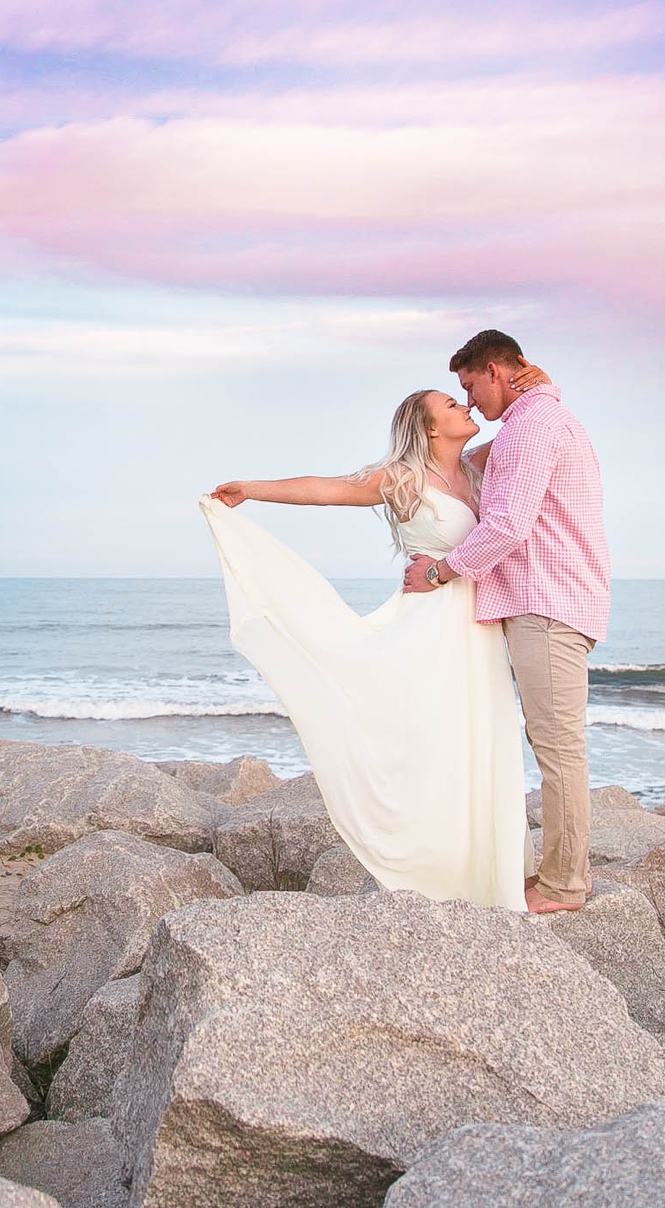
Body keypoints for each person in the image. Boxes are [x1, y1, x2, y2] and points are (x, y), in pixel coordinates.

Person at [202, 357, 551, 910]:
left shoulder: (482, 464)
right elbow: (326, 489)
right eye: (451, 404)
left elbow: (528, 423)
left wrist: (540, 381)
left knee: (479, 744)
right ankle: (428, 864)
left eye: (462, 398)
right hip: (429, 626)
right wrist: (253, 488)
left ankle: (488, 873)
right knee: (430, 742)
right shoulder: (403, 478)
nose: (464, 406)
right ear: (431, 427)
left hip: (479, 632)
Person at [400, 330, 609, 913]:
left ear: (495, 371)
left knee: (559, 748)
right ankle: (564, 876)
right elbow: (465, 463)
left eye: (469, 386)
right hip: (556, 600)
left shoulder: (529, 427)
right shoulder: (539, 419)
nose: (470, 401)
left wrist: (442, 571)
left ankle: (564, 885)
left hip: (546, 605)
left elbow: (507, 524)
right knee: (559, 744)